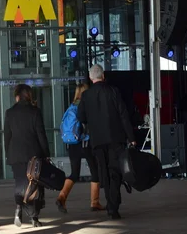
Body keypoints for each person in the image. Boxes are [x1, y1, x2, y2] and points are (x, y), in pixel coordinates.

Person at [77, 64, 135, 220]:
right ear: (103, 76)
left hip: (97, 141)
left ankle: (111, 202)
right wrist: (132, 137)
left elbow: (81, 117)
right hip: (115, 139)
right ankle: (113, 206)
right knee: (115, 172)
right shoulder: (113, 91)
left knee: (104, 172)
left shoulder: (86, 95)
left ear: (90, 78)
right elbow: (123, 115)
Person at [4, 84, 49, 228]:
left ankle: (18, 208)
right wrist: (46, 154)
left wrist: (8, 153)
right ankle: (34, 217)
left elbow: (7, 136)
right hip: (33, 155)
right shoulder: (35, 112)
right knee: (34, 184)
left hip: (15, 154)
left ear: (17, 96)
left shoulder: (9, 112)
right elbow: (41, 135)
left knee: (20, 183)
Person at [56, 83, 104, 214]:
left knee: (74, 173)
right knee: (95, 171)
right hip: (85, 143)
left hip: (72, 144)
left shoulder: (71, 107)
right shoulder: (86, 106)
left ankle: (62, 197)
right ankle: (95, 202)